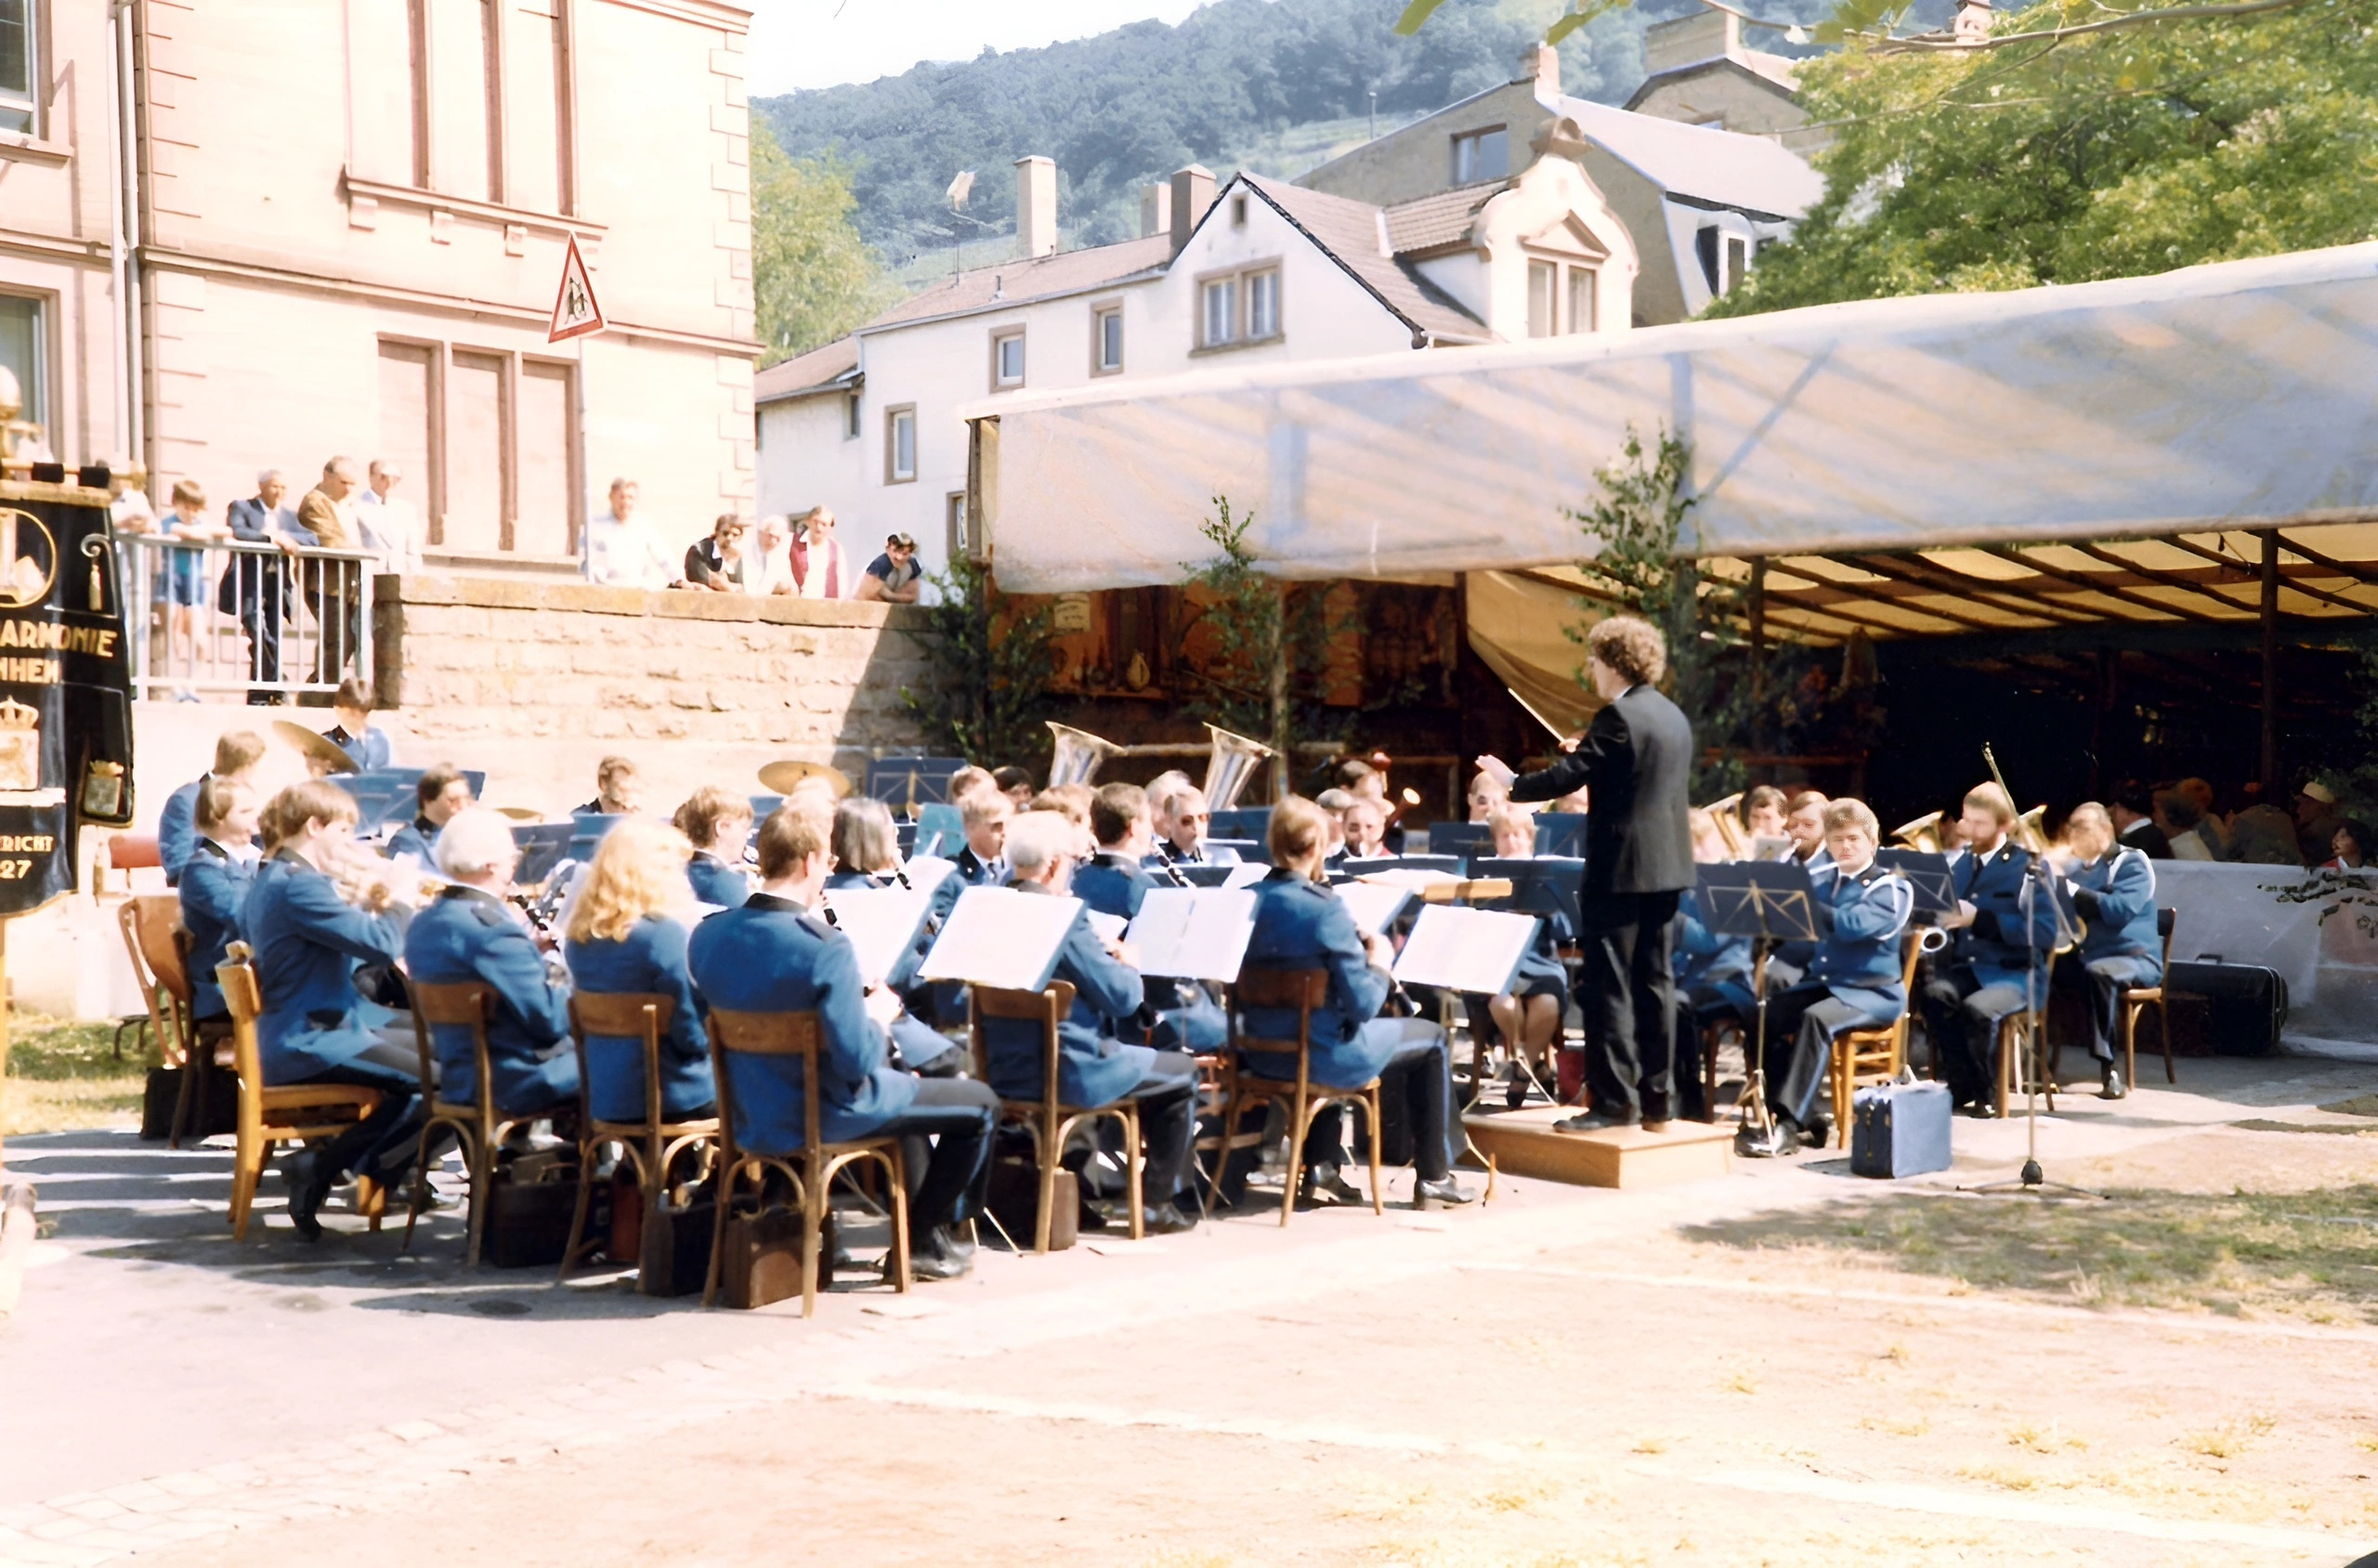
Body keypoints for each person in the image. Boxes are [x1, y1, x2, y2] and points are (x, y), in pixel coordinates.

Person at [689, 806, 1000, 1281]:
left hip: (749, 1109)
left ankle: (922, 1237)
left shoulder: (708, 935)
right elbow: (856, 1061)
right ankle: (924, 1235)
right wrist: (875, 1016)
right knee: (979, 1102)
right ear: (812, 862)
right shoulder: (824, 946)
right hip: (826, 1110)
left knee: (911, 1091)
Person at [1475, 614, 1693, 1134]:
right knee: (1657, 984)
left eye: (1595, 661)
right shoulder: (1672, 717)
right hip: (1667, 868)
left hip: (1620, 869)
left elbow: (1568, 777)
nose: (1591, 670)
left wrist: (1513, 781)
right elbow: (1630, 777)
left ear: (1615, 663)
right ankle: (1658, 1104)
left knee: (1610, 986)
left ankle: (1614, 1104)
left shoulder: (1616, 717)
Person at [1240, 797, 1473, 1208]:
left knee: (1329, 1016)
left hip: (1258, 1054)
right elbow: (1365, 1003)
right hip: (1322, 1057)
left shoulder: (1244, 898)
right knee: (1433, 1037)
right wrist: (1380, 963)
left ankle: (1321, 1167)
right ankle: (1435, 1175)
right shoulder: (1324, 909)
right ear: (1315, 848)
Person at [976, 811, 1200, 1232]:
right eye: (1075, 863)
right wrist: (1129, 962)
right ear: (1056, 864)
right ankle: (1156, 1201)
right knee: (1181, 1071)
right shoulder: (1064, 918)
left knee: (1148, 1065)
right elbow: (1121, 998)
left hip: (1004, 1069)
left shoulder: (990, 907)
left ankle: (1085, 1195)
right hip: (1070, 1071)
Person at [240, 780, 425, 1239]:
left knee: (441, 1058)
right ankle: (339, 1167)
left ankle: (337, 1166)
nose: (350, 843)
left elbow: (336, 945)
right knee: (445, 1079)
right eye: (343, 831)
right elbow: (383, 945)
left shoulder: (278, 878)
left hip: (316, 1022)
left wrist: (362, 904)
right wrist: (401, 897)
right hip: (311, 1036)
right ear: (314, 826)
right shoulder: (299, 887)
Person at [1740, 800, 1913, 1156]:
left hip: (1874, 993)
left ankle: (1789, 1127)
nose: (1845, 847)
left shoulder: (1891, 888)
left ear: (1872, 842)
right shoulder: (1823, 881)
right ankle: (1797, 1117)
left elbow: (1852, 927)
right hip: (1832, 986)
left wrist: (1799, 898)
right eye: (1837, 840)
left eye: (1853, 839)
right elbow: (1797, 929)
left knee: (1815, 1020)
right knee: (1764, 1014)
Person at [405, 809, 579, 1119]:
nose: (515, 867)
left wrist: (527, 953)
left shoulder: (424, 922)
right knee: (633, 1063)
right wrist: (555, 966)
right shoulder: (493, 930)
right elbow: (550, 1022)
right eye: (512, 859)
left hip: (459, 1073)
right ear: (490, 865)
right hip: (512, 1079)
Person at [1919, 782, 2063, 1116]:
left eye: (1979, 823)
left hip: (2017, 972)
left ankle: (1988, 1091)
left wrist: (1979, 920)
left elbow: (2044, 931)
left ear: (2005, 825)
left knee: (1978, 1009)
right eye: (1966, 820)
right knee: (1935, 994)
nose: (1968, 830)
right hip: (1973, 966)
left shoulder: (2030, 867)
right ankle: (1961, 1083)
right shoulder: (1960, 865)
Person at [564, 819, 716, 1125]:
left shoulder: (579, 937)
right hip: (670, 1093)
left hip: (606, 1095)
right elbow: (690, 1035)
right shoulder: (662, 935)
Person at [1076, 782, 1226, 1053]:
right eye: (1148, 822)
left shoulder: (1077, 879)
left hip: (1099, 1013)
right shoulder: (1142, 888)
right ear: (1133, 827)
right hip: (1145, 1017)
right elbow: (1167, 968)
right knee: (1229, 1026)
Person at [2053, 803, 2162, 1101]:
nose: (2073, 834)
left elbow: (2119, 910)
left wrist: (2069, 890)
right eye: (2071, 827)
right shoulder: (2074, 867)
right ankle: (2041, 1065)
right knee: (2042, 969)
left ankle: (2107, 1068)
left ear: (2105, 830)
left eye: (2082, 828)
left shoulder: (2130, 862)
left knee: (2099, 973)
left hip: (2133, 957)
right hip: (2089, 955)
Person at [1467, 804, 1570, 1110]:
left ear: (1529, 838)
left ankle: (1523, 1067)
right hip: (1497, 958)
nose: (1512, 842)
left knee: (1548, 1003)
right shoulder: (1485, 872)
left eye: (1518, 835)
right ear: (1496, 840)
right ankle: (1533, 1067)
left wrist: (1545, 909)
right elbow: (1470, 920)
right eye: (1504, 836)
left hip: (1539, 958)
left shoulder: (1547, 872)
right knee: (1504, 1003)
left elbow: (1566, 926)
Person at [1672, 807, 1754, 1123]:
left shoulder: (1732, 885)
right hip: (1689, 980)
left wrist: (1666, 912)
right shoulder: (1686, 882)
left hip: (1728, 984)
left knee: (1676, 1006)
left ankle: (1688, 1102)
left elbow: (1707, 941)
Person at [180, 777, 262, 1025]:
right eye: (246, 811)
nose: (255, 818)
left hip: (255, 975)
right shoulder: (203, 869)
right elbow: (242, 916)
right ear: (218, 816)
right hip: (224, 986)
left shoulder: (249, 860)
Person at [222, 471, 303, 704]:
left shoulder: (289, 516)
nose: (279, 492)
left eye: (283, 487)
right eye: (274, 486)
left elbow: (311, 538)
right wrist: (270, 538)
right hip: (250, 580)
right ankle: (277, 680)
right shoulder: (243, 507)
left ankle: (260, 695)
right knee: (257, 629)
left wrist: (286, 536)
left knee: (273, 636)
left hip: (277, 582)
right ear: (261, 486)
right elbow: (238, 531)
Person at [161, 729, 268, 887]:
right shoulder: (185, 800)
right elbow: (178, 866)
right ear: (249, 766)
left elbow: (262, 851)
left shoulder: (246, 798)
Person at [296, 457, 367, 682]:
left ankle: (321, 691)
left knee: (347, 639)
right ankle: (320, 693)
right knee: (338, 639)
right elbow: (331, 540)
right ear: (327, 477)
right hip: (326, 584)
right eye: (343, 482)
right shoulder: (314, 502)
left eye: (352, 484)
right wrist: (362, 551)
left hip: (349, 583)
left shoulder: (348, 505)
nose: (348, 489)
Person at [156, 479, 227, 695]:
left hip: (194, 585)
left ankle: (191, 685)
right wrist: (201, 533)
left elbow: (226, 532)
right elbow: (179, 530)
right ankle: (172, 686)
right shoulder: (168, 522)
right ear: (176, 504)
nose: (190, 513)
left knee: (200, 641)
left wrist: (203, 531)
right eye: (186, 507)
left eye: (195, 509)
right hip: (171, 582)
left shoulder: (199, 524)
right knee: (174, 637)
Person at [582, 477, 675, 589]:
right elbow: (584, 562)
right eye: (621, 497)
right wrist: (596, 575)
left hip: (636, 590)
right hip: (605, 590)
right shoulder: (594, 526)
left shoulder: (644, 526)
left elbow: (665, 558)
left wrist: (680, 580)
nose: (625, 502)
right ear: (611, 497)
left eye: (630, 497)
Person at [673, 785, 754, 908]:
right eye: (745, 828)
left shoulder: (678, 873)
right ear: (722, 827)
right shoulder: (728, 885)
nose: (747, 836)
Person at [385, 764, 472, 865]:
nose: (462, 806)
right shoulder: (408, 842)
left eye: (466, 799)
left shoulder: (464, 836)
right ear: (428, 801)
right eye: (452, 800)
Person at [356, 460, 425, 578]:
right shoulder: (356, 506)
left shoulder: (407, 509)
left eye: (395, 478)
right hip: (370, 575)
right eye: (384, 477)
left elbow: (413, 551)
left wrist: (415, 577)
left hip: (399, 575)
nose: (389, 483)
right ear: (371, 477)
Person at [1150, 785, 1237, 869]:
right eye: (1187, 821)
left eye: (1202, 818)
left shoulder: (1227, 857)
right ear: (1169, 822)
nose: (1196, 826)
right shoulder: (1155, 861)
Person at [325, 678, 393, 771]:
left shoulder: (379, 738)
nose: (358, 720)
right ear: (338, 709)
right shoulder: (326, 743)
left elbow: (389, 774)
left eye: (363, 714)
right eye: (352, 714)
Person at [789, 506, 854, 599]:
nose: (819, 527)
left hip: (825, 606)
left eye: (823, 524)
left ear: (830, 528)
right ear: (808, 521)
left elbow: (842, 580)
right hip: (798, 603)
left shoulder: (836, 549)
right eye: (816, 522)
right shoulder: (792, 542)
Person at [954, 790, 1011, 886]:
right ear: (971, 827)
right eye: (996, 826)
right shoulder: (955, 874)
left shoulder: (1015, 871)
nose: (1004, 833)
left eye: (1009, 825)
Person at [683, 515, 747, 593]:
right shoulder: (699, 551)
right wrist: (728, 587)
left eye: (735, 535)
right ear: (717, 531)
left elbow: (740, 587)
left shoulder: (737, 556)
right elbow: (707, 581)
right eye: (725, 533)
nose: (730, 538)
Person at [2108, 785, 2173, 860]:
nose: (2111, 813)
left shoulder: (2127, 847)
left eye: (2115, 808)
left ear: (2125, 810)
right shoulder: (2159, 835)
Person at [856, 532, 922, 604]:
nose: (899, 557)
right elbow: (863, 597)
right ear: (888, 549)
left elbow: (911, 596)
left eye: (905, 553)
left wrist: (890, 595)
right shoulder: (880, 565)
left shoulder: (911, 565)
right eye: (895, 551)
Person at [2293, 781, 2347, 866]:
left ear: (2322, 808)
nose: (2299, 810)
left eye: (2307, 804)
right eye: (2300, 804)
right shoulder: (2301, 830)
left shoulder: (2330, 834)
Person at [743, 515, 795, 596]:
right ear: (760, 533)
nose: (773, 541)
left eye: (778, 538)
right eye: (770, 535)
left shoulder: (780, 558)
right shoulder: (746, 550)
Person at [1778, 790, 1832, 869]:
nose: (1799, 830)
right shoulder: (1781, 857)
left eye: (1808, 824)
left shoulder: (1836, 868)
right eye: (1794, 824)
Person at [574, 755, 642, 817]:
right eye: (622, 789)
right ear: (604, 785)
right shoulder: (582, 817)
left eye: (630, 790)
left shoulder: (635, 816)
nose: (627, 796)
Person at [1340, 796, 1391, 861]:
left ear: (1381, 828)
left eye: (1369, 827)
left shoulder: (1393, 861)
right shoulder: (1331, 860)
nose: (1362, 832)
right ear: (1343, 827)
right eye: (1354, 827)